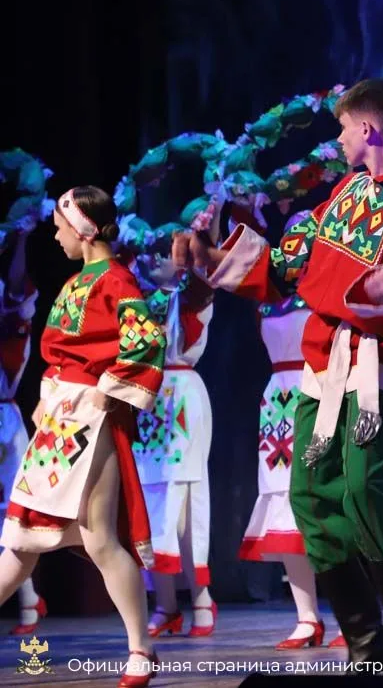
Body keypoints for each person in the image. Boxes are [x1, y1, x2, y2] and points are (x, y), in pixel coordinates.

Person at [172, 78, 383, 665]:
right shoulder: (343, 194)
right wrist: (212, 259)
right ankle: (365, 638)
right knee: (311, 495)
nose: (339, 140)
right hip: (322, 365)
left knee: (363, 488)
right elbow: (286, 264)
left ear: (367, 129)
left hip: (371, 363)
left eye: (344, 128)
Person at [0, 187, 165, 687]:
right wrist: (49, 390)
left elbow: (145, 341)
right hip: (57, 421)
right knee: (22, 541)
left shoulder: (117, 281)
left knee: (99, 539)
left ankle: (140, 648)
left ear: (84, 229)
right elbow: (60, 354)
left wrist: (106, 391)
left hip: (89, 420)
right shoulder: (77, 281)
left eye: (60, 227)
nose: (56, 236)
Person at [235, 210, 341, 649]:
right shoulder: (271, 299)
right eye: (289, 241)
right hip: (278, 402)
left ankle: (356, 614)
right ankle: (307, 617)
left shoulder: (331, 293)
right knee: (284, 503)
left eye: (304, 240)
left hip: (321, 390)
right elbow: (235, 262)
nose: (294, 249)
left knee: (331, 503)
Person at [129, 251, 217, 638]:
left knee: (185, 498)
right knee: (150, 500)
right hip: (148, 400)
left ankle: (201, 599)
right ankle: (165, 604)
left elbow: (204, 276)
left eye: (164, 252)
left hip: (182, 396)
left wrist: (201, 234)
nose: (154, 259)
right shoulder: (139, 299)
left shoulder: (190, 294)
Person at [0, 231, 48, 635]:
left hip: (5, 424)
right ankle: (30, 601)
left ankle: (29, 601)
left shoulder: (13, 320)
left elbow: (17, 285)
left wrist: (20, 238)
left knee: (11, 516)